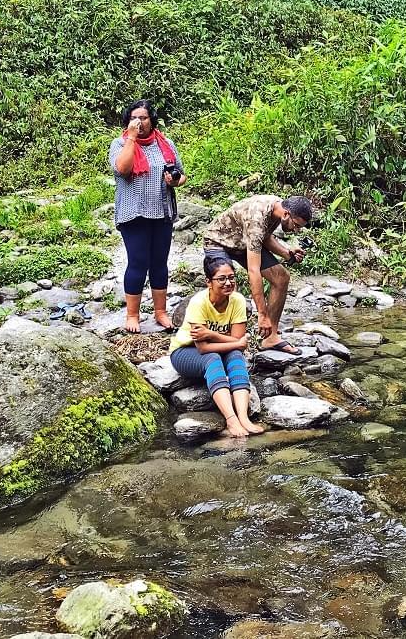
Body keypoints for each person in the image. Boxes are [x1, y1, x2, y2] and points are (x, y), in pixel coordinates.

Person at [109, 99, 185, 333]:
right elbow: (122, 169)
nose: (139, 122)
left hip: (162, 211)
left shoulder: (166, 143)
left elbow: (181, 175)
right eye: (134, 118)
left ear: (151, 120)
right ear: (127, 121)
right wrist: (132, 138)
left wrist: (175, 180)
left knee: (159, 264)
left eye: (143, 117)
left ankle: (160, 312)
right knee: (138, 263)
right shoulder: (120, 143)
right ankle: (132, 315)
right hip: (134, 213)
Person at [202, 194, 312, 354]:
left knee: (281, 277)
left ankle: (270, 337)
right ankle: (223, 341)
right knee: (226, 285)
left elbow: (265, 237)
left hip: (242, 242)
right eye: (296, 225)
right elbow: (254, 271)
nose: (296, 230)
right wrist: (262, 314)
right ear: (286, 214)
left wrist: (287, 253)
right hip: (218, 242)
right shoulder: (257, 217)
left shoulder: (277, 208)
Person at [171, 254, 263, 438]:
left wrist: (212, 334)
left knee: (236, 356)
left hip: (217, 346)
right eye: (221, 279)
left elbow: (237, 340)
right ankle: (231, 419)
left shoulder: (236, 300)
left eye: (231, 278)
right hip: (185, 352)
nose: (228, 283)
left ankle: (244, 418)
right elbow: (203, 348)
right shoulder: (199, 302)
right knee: (212, 358)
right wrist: (235, 342)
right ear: (209, 282)